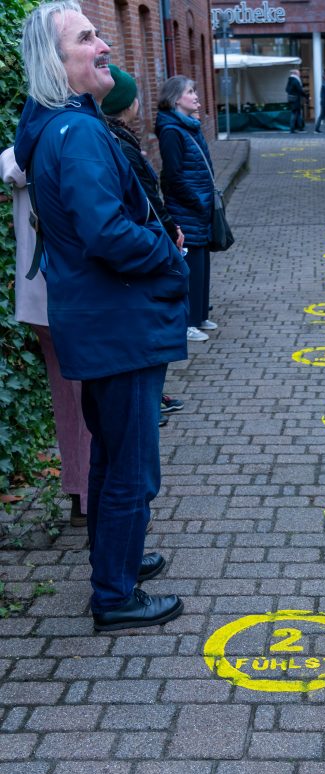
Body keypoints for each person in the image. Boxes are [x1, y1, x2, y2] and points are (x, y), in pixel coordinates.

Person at [17, 0, 187, 631]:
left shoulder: (58, 125)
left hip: (99, 318)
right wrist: (167, 256)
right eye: (87, 38)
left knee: (115, 452)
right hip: (117, 323)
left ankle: (118, 559)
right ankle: (114, 595)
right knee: (129, 462)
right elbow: (107, 233)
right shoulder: (80, 133)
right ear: (57, 65)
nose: (103, 46)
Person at [1, 145, 91, 527]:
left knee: (66, 396)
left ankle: (76, 491)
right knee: (92, 399)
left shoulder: (18, 154)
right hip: (73, 295)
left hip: (40, 298)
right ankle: (91, 497)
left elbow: (10, 172)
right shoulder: (68, 147)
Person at [101, 64, 185, 423]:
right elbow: (147, 199)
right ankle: (147, 401)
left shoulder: (121, 138)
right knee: (153, 323)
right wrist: (169, 232)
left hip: (148, 242)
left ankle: (151, 397)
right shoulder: (121, 144)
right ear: (127, 103)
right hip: (148, 247)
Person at [156, 75, 215, 344]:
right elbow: (173, 176)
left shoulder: (190, 126)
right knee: (189, 264)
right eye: (190, 91)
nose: (195, 96)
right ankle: (187, 323)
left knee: (201, 262)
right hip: (187, 208)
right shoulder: (171, 131)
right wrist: (197, 200)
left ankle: (200, 314)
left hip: (199, 206)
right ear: (176, 98)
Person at [286, 68, 307, 133]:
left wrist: (291, 93)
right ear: (296, 74)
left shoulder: (290, 80)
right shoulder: (296, 80)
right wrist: (306, 96)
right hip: (296, 99)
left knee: (298, 113)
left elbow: (286, 89)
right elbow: (300, 90)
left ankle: (300, 127)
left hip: (291, 99)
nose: (300, 74)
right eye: (299, 73)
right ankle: (292, 129)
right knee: (294, 113)